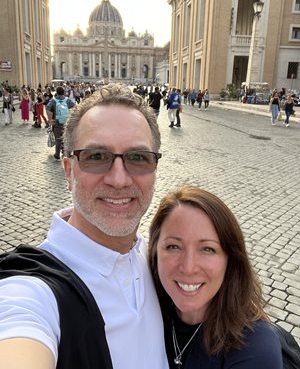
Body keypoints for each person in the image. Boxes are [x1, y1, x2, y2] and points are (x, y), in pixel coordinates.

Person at [0, 83, 168, 369]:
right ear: (68, 171)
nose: (119, 179)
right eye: (96, 157)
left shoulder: (155, 259)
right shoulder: (31, 293)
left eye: (138, 157)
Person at [148, 186, 283, 369]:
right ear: (155, 253)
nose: (188, 268)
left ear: (231, 261)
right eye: (173, 247)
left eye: (208, 249)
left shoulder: (255, 347)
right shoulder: (144, 314)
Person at [46, 86, 75, 160]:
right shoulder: (67, 100)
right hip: (66, 122)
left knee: (58, 139)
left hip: (57, 122)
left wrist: (50, 119)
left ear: (56, 92)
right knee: (66, 138)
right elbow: (74, 107)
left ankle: (57, 154)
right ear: (64, 92)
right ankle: (66, 154)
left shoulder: (53, 100)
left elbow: (48, 108)